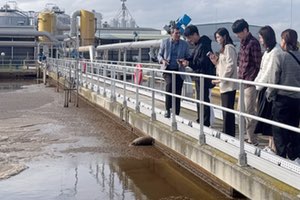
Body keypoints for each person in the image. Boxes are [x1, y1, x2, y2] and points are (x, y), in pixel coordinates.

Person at [267, 29, 300, 162]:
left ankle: (281, 158)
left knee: (279, 131)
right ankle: (295, 157)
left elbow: (274, 78)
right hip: (297, 99)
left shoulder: (280, 56)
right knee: (293, 128)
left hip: (282, 99)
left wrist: (269, 94)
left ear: (284, 40)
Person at [232, 19, 262, 145]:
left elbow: (257, 63)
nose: (237, 35)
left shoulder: (253, 43)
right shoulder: (243, 43)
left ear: (245, 30)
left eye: (238, 33)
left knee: (249, 113)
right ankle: (246, 137)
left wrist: (253, 79)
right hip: (242, 82)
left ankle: (252, 140)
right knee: (240, 112)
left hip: (250, 82)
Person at [254, 26, 282, 153]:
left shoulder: (275, 52)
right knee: (267, 118)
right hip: (264, 88)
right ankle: (271, 145)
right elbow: (262, 70)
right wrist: (257, 82)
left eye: (261, 37)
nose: (260, 40)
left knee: (270, 119)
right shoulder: (267, 51)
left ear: (266, 37)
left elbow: (270, 73)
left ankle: (274, 147)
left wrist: (258, 84)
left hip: (269, 90)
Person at [182, 25, 216, 127]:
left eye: (189, 37)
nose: (188, 40)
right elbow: (192, 58)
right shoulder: (198, 45)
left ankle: (205, 123)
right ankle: (201, 120)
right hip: (199, 76)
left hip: (204, 76)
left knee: (203, 99)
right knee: (200, 99)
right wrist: (186, 60)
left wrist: (189, 64)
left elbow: (202, 63)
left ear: (195, 34)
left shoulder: (203, 45)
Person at [209, 27, 238, 137]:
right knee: (226, 109)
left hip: (228, 84)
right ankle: (227, 131)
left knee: (227, 110)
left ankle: (229, 133)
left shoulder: (228, 47)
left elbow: (230, 65)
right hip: (225, 84)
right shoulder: (224, 49)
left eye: (218, 37)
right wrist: (215, 62)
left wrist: (221, 79)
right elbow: (224, 65)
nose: (217, 39)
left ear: (224, 36)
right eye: (216, 37)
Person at [157, 26, 190, 118]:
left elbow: (188, 56)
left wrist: (184, 60)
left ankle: (176, 112)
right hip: (168, 69)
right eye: (176, 33)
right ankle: (167, 109)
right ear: (171, 34)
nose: (178, 35)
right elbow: (159, 55)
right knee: (169, 86)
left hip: (179, 70)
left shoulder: (184, 44)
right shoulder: (165, 42)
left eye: (179, 33)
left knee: (178, 91)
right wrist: (162, 60)